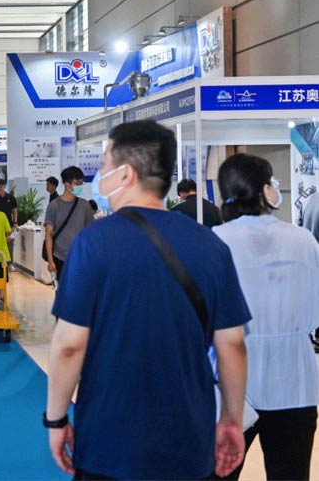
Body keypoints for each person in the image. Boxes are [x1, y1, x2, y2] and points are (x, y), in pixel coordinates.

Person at [46, 121, 251, 480]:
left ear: (125, 173)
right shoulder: (210, 245)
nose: (100, 173)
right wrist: (231, 420)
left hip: (108, 442)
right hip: (190, 440)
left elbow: (69, 346)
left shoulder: (94, 243)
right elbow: (232, 343)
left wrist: (57, 419)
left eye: (106, 163)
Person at [213, 154, 319, 481]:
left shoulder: (215, 241)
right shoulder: (303, 240)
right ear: (264, 190)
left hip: (230, 387)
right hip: (295, 383)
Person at [44, 166, 94, 282]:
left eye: (81, 183)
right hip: (59, 258)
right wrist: (50, 261)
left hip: (80, 258)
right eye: (77, 183)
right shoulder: (54, 206)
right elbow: (49, 235)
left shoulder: (85, 205)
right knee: (62, 291)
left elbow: (91, 233)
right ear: (67, 184)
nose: (80, 187)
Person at [0, 178, 19, 267]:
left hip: (8, 225)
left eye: (1, 186)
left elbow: (14, 210)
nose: (0, 188)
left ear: (4, 186)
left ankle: (10, 263)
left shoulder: (10, 198)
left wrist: (15, 222)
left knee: (9, 244)